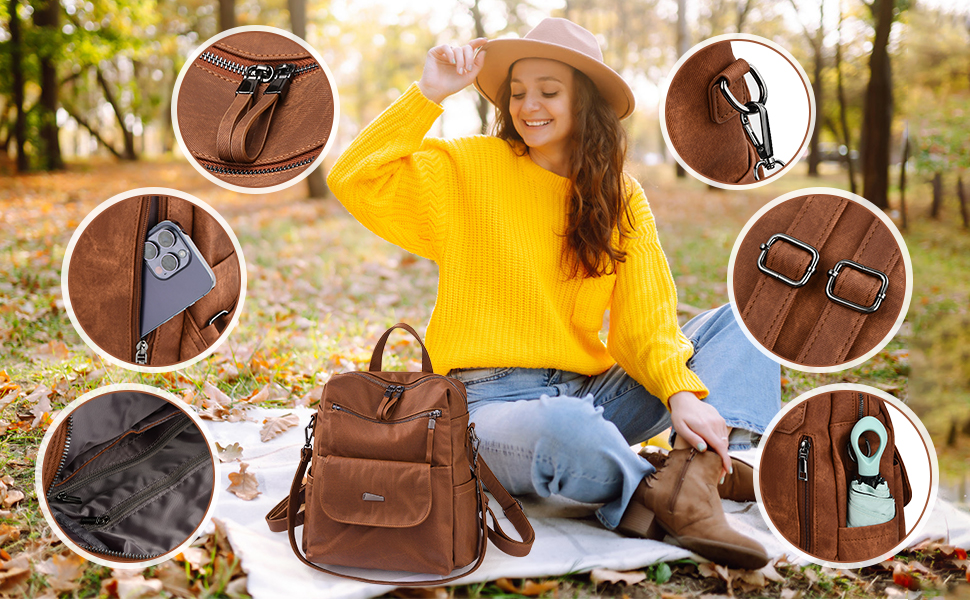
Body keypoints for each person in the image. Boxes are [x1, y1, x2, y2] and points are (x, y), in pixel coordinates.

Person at [328, 17, 781, 570]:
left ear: (584, 101)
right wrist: (429, 93)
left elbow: (646, 321)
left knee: (751, 319)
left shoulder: (619, 195)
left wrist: (680, 392)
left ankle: (689, 477)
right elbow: (354, 177)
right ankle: (675, 483)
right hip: (485, 408)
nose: (528, 106)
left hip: (595, 395)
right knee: (565, 429)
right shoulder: (469, 167)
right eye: (518, 92)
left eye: (548, 91)